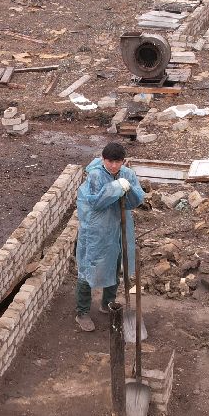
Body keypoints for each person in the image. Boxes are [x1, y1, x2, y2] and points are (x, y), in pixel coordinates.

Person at [74, 141, 146, 332]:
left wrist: (127, 189)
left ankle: (107, 303)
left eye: (117, 161)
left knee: (115, 263)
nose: (113, 165)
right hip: (96, 230)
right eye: (109, 161)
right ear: (103, 159)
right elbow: (96, 202)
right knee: (89, 268)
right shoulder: (96, 175)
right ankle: (82, 312)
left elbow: (136, 200)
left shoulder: (128, 174)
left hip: (118, 227)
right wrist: (116, 187)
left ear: (124, 161)